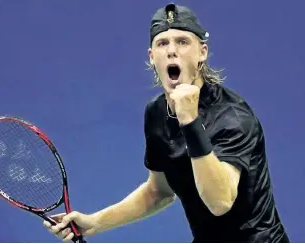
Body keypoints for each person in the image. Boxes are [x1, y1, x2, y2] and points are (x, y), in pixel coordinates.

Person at [43, 3, 290, 243]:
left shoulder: (233, 117)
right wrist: (95, 222)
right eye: (163, 43)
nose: (172, 51)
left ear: (202, 52)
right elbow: (158, 191)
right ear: (152, 57)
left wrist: (190, 121)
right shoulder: (157, 113)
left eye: (183, 42)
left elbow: (220, 202)